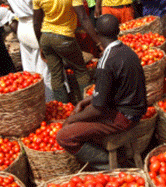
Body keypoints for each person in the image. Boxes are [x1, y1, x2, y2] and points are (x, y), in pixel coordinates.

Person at [56, 14, 146, 169]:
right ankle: (115, 156)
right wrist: (86, 100)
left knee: (64, 136)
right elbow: (116, 88)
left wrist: (73, 119)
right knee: (84, 113)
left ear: (96, 32)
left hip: (122, 118)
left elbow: (98, 109)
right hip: (135, 111)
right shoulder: (127, 52)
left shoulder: (106, 61)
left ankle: (110, 163)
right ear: (118, 31)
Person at [33, 0, 102, 103]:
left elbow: (36, 24)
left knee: (56, 75)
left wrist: (40, 45)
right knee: (81, 71)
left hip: (46, 37)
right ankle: (89, 105)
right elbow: (83, 18)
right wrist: (98, 42)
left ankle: (63, 109)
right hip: (63, 37)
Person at [5, 0, 51, 82]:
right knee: (45, 68)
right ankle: (49, 99)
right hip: (35, 28)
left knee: (29, 68)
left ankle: (33, 94)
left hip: (22, 28)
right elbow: (40, 15)